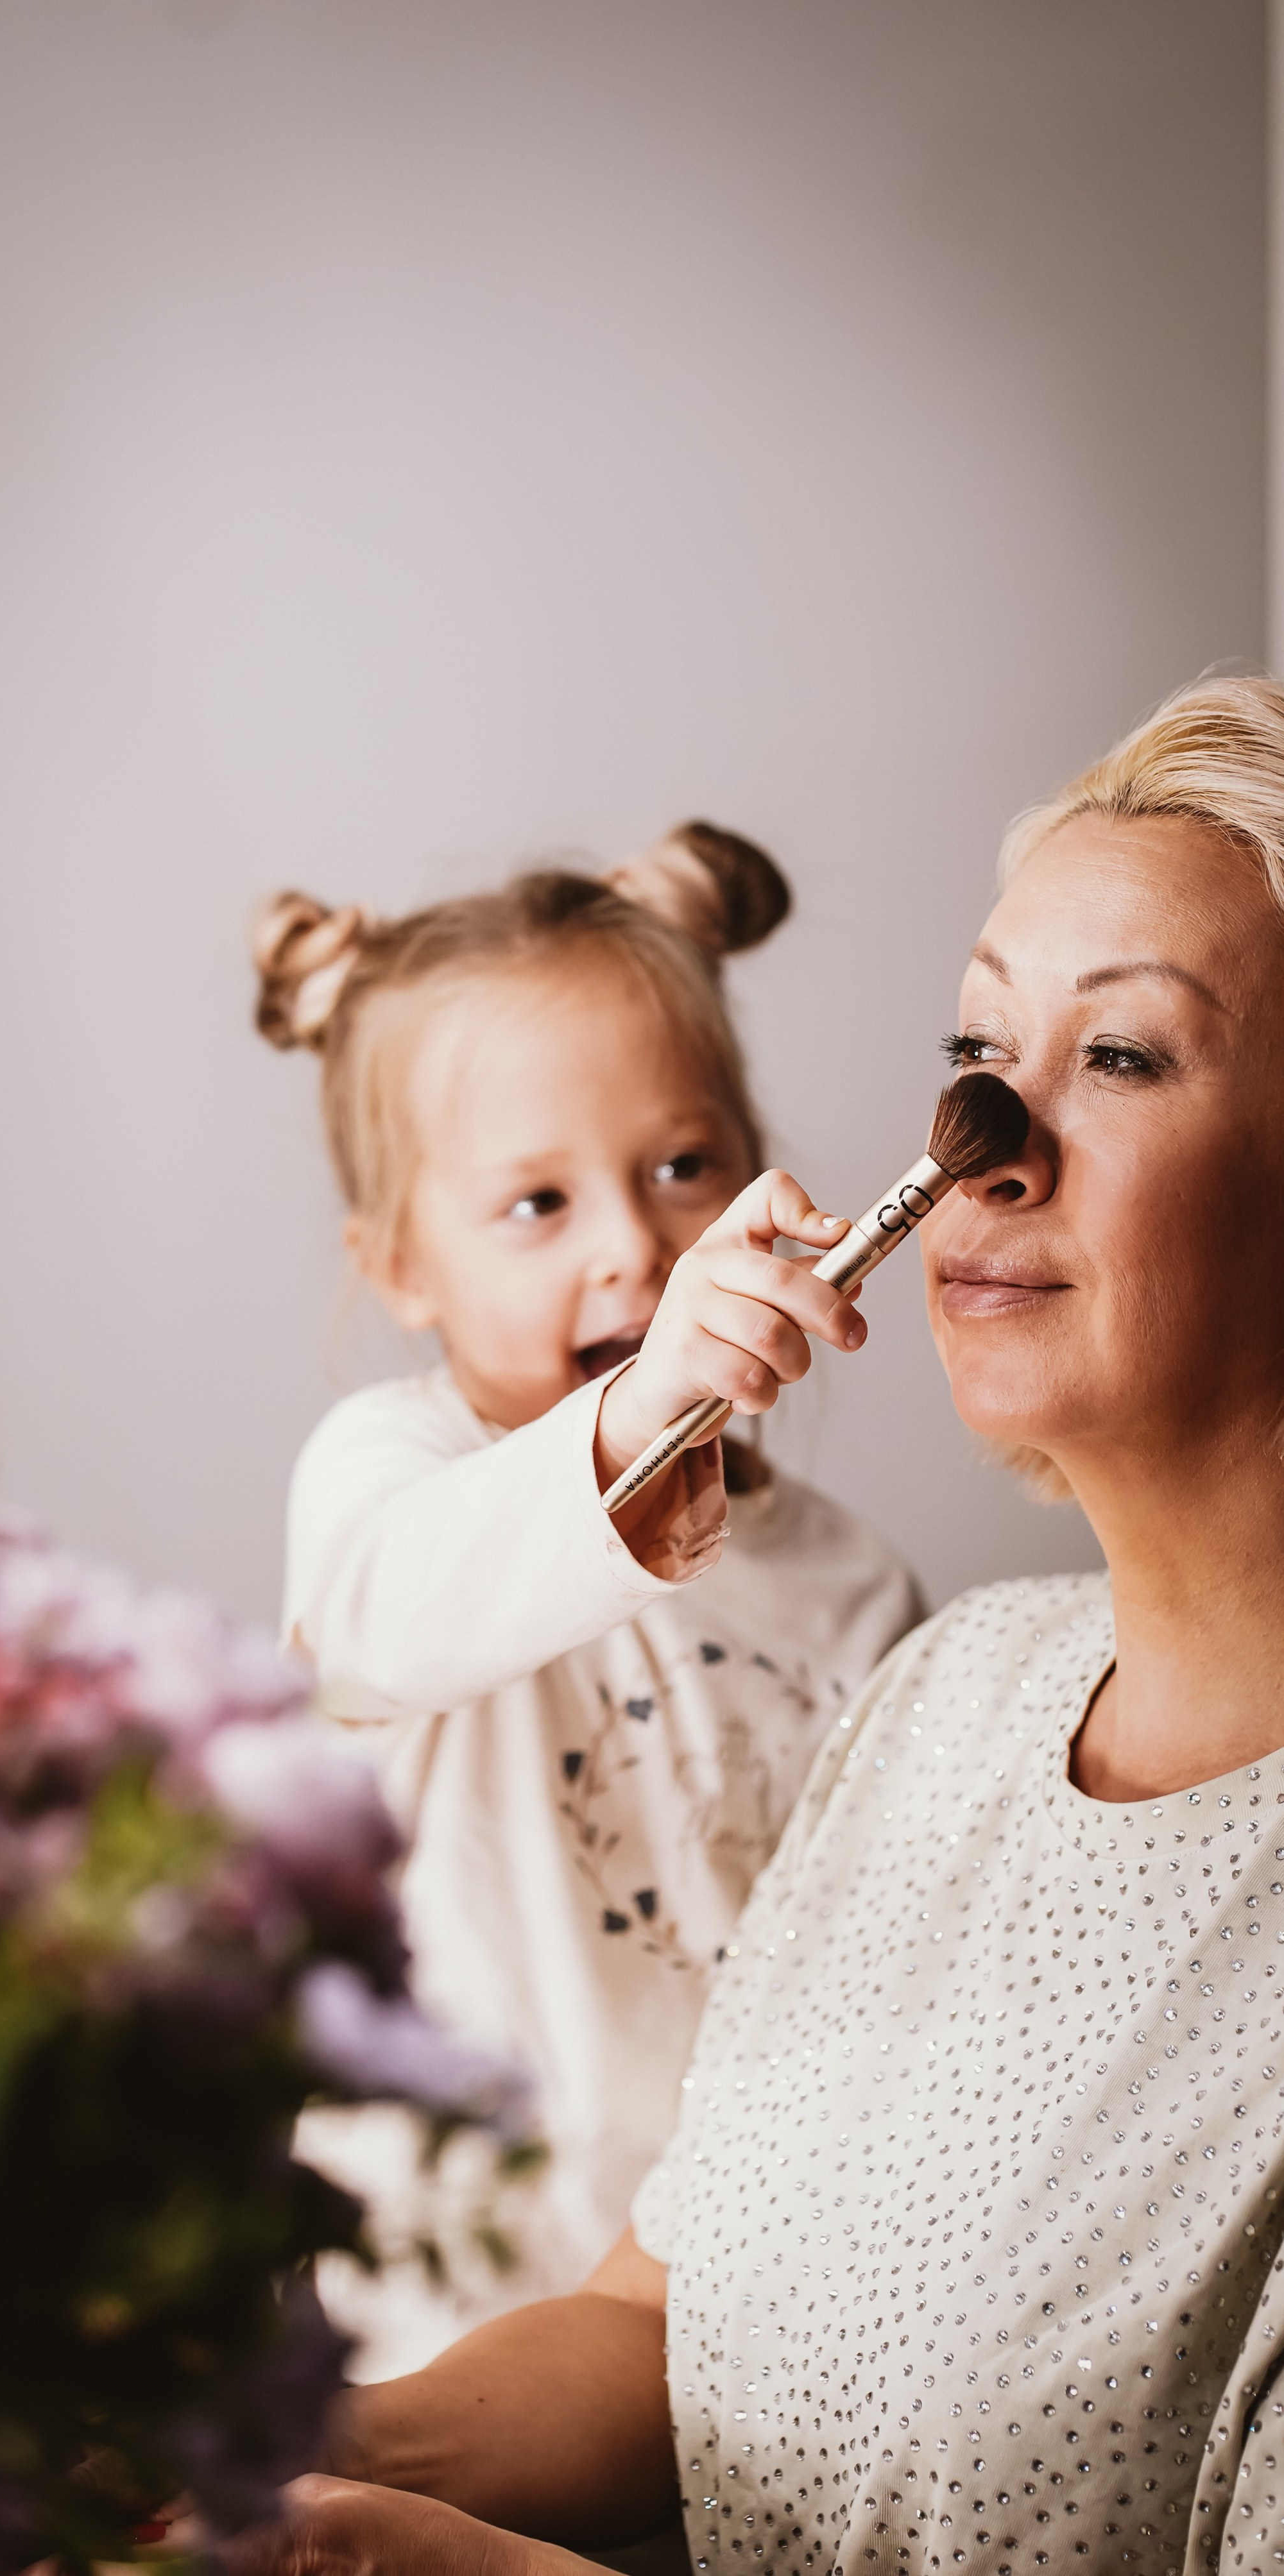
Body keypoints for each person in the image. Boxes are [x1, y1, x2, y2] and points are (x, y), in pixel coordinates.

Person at [224, 675, 1284, 2575]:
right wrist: (279, 2480)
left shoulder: (858, 1611)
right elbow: (662, 2325)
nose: (982, 1136)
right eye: (975, 1039)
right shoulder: (950, 1693)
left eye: (1118, 1056)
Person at [252, 827, 921, 2382]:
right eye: (537, 1204)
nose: (635, 1245)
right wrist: (628, 1436)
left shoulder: (850, 1588)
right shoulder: (393, 1473)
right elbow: (382, 1613)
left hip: (748, 2347)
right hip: (420, 2345)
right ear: (396, 1263)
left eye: (682, 1167)